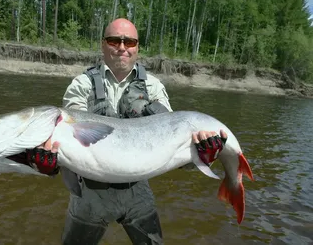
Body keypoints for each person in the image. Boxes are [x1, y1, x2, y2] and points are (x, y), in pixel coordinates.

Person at [26, 18, 228, 245]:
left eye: (129, 42)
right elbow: (67, 141)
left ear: (137, 47)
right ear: (103, 45)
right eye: (114, 40)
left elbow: (173, 147)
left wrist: (202, 155)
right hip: (90, 194)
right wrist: (49, 165)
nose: (122, 47)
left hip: (138, 191)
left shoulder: (153, 87)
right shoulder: (81, 85)